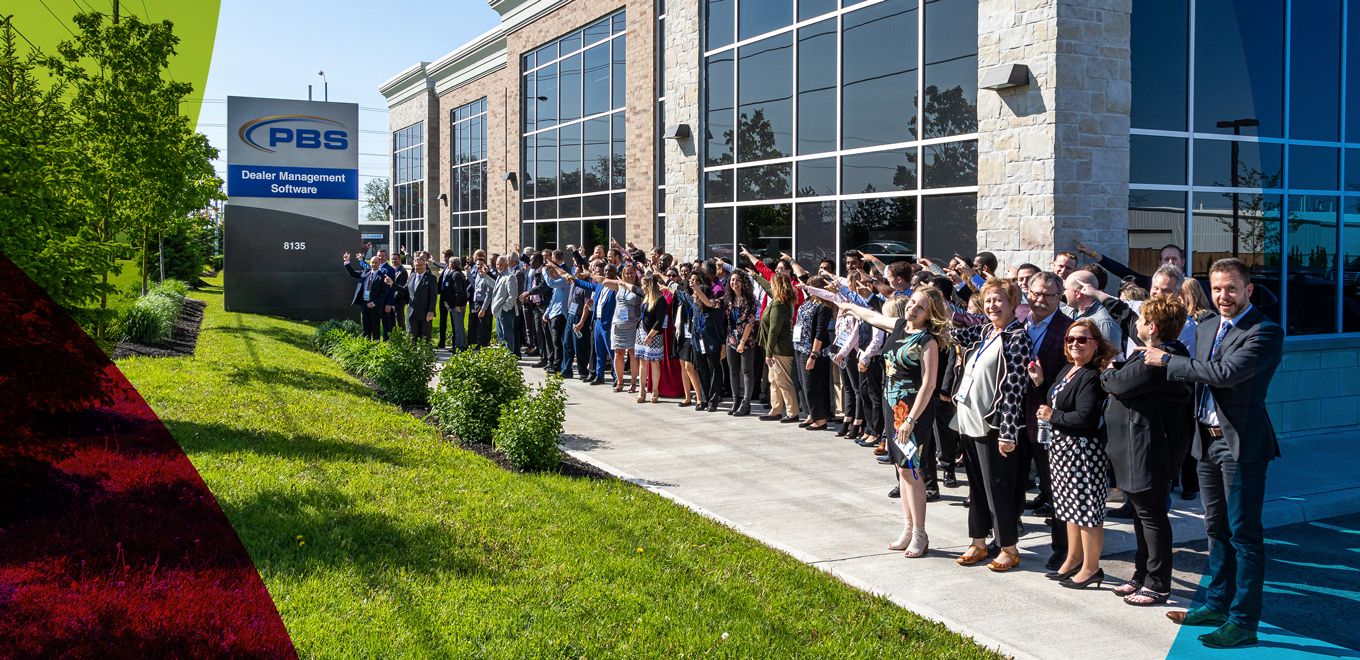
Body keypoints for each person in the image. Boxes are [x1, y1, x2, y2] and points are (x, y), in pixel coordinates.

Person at [1135, 258, 1284, 649]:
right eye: (1217, 288)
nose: (1223, 296)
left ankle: (1243, 620)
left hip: (1241, 446)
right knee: (1215, 529)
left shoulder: (1265, 332)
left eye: (1231, 288)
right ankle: (1217, 603)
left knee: (1244, 535)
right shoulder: (1205, 327)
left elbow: (1224, 374)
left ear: (1248, 290)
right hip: (1206, 441)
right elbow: (1196, 377)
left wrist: (1168, 361)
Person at [841, 288, 952, 558]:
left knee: (912, 471)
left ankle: (920, 534)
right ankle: (908, 527)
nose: (912, 309)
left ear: (930, 315)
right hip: (893, 410)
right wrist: (850, 306)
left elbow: (928, 385)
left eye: (920, 307)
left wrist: (911, 420)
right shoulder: (900, 326)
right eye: (912, 302)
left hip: (912, 413)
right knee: (901, 470)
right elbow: (873, 316)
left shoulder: (928, 341)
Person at [1102, 294, 1193, 607]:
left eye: (1141, 321)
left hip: (1150, 450)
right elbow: (1130, 322)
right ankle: (1141, 574)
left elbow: (1117, 384)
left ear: (1152, 327)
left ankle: (1157, 584)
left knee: (1152, 517)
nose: (1135, 325)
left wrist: (1108, 369)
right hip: (1135, 450)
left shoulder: (1158, 360)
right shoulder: (1156, 351)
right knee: (1141, 516)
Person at [950, 278, 1031, 572]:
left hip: (994, 427)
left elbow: (1014, 389)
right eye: (988, 301)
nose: (992, 306)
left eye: (998, 300)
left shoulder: (1016, 338)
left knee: (997, 488)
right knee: (976, 488)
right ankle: (978, 542)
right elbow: (952, 332)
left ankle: (1008, 547)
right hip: (969, 421)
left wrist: (1007, 432)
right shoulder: (986, 331)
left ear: (1013, 305)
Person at [1032, 319, 1114, 589]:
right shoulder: (1069, 369)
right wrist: (1041, 383)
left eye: (1082, 339)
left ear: (1096, 344)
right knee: (1068, 509)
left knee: (1087, 512)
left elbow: (1085, 417)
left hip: (1083, 453)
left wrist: (1051, 415)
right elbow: (1059, 402)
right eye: (1070, 339)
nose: (1075, 344)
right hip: (1062, 450)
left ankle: (1091, 568)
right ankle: (1073, 558)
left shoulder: (1091, 375)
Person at [1020, 271, 1073, 570]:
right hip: (1013, 417)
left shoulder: (1069, 330)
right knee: (1013, 481)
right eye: (1036, 293)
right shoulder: (1017, 324)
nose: (1040, 300)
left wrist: (1043, 382)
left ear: (1059, 296)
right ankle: (1006, 536)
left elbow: (1072, 378)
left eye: (1048, 295)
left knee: (1054, 487)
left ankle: (1062, 548)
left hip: (1046, 419)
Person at [794, 276, 837, 430]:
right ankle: (811, 414)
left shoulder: (823, 307)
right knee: (804, 383)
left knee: (814, 384)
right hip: (800, 347)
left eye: (810, 286)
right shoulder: (807, 302)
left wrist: (814, 354)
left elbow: (820, 332)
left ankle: (821, 419)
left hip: (813, 351)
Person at [1076, 241, 1186, 291]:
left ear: (1182, 262)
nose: (1171, 262)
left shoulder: (1196, 286)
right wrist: (1093, 254)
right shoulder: (1149, 283)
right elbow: (1122, 271)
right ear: (1160, 263)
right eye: (1167, 259)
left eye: (1174, 259)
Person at [724, 270, 759, 416]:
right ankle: (736, 401)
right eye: (732, 280)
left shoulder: (750, 300)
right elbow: (710, 303)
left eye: (737, 280)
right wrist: (697, 289)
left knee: (746, 371)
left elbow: (750, 323)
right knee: (733, 371)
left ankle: (746, 403)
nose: (734, 283)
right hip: (731, 339)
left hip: (746, 340)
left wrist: (742, 342)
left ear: (743, 282)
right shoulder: (728, 299)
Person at [1063, 270, 1122, 351]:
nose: (1064, 293)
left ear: (1078, 293)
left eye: (1066, 289)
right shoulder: (1069, 311)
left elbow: (1111, 357)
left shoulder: (1104, 322)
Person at [634, 273, 669, 403]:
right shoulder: (646, 297)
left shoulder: (660, 299)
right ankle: (641, 390)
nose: (642, 287)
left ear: (649, 285)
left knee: (654, 362)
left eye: (644, 284)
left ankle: (655, 390)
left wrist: (650, 336)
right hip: (641, 331)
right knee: (642, 361)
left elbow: (660, 321)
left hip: (653, 334)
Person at [343, 252, 390, 340]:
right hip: (364, 304)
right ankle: (366, 345)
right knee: (365, 327)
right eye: (372, 262)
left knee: (375, 328)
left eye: (376, 262)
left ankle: (375, 346)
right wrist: (347, 262)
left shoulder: (382, 276)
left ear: (379, 263)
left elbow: (384, 293)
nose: (374, 264)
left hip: (375, 306)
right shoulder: (365, 272)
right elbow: (353, 273)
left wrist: (374, 303)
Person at [489, 256, 520, 353]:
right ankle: (503, 356)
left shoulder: (510, 276)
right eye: (497, 264)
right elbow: (495, 287)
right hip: (499, 311)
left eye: (500, 264)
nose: (498, 266)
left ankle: (509, 357)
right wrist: (485, 276)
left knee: (507, 336)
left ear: (506, 264)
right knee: (500, 336)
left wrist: (505, 308)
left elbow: (513, 295)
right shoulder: (500, 276)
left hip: (506, 311)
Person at [437, 253, 468, 350]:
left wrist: (457, 304)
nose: (448, 264)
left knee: (458, 327)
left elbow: (459, 292)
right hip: (453, 304)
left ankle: (461, 346)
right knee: (457, 326)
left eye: (449, 263)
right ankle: (458, 345)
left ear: (453, 264)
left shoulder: (456, 275)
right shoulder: (455, 273)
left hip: (457, 305)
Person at [405, 255, 437, 342]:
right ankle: (412, 355)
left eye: (420, 265)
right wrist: (392, 284)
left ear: (425, 265)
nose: (418, 267)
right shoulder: (411, 276)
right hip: (412, 312)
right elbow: (404, 290)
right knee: (411, 337)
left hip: (425, 313)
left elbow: (433, 296)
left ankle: (426, 355)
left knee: (425, 338)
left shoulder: (431, 278)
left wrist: (431, 311)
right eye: (416, 265)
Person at [469, 258, 494, 348]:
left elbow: (488, 295)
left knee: (482, 325)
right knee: (476, 324)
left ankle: (483, 344)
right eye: (477, 265)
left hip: (483, 303)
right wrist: (468, 273)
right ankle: (477, 342)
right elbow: (474, 285)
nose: (479, 267)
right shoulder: (478, 275)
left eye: (481, 265)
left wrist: (483, 309)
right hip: (476, 302)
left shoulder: (487, 277)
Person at [388, 254, 410, 332]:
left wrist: (394, 298)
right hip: (391, 298)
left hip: (399, 299)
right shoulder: (391, 269)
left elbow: (402, 288)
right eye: (392, 259)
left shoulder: (402, 272)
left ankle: (402, 333)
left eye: (396, 259)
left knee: (399, 317)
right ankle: (394, 333)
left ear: (400, 260)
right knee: (391, 318)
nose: (394, 261)